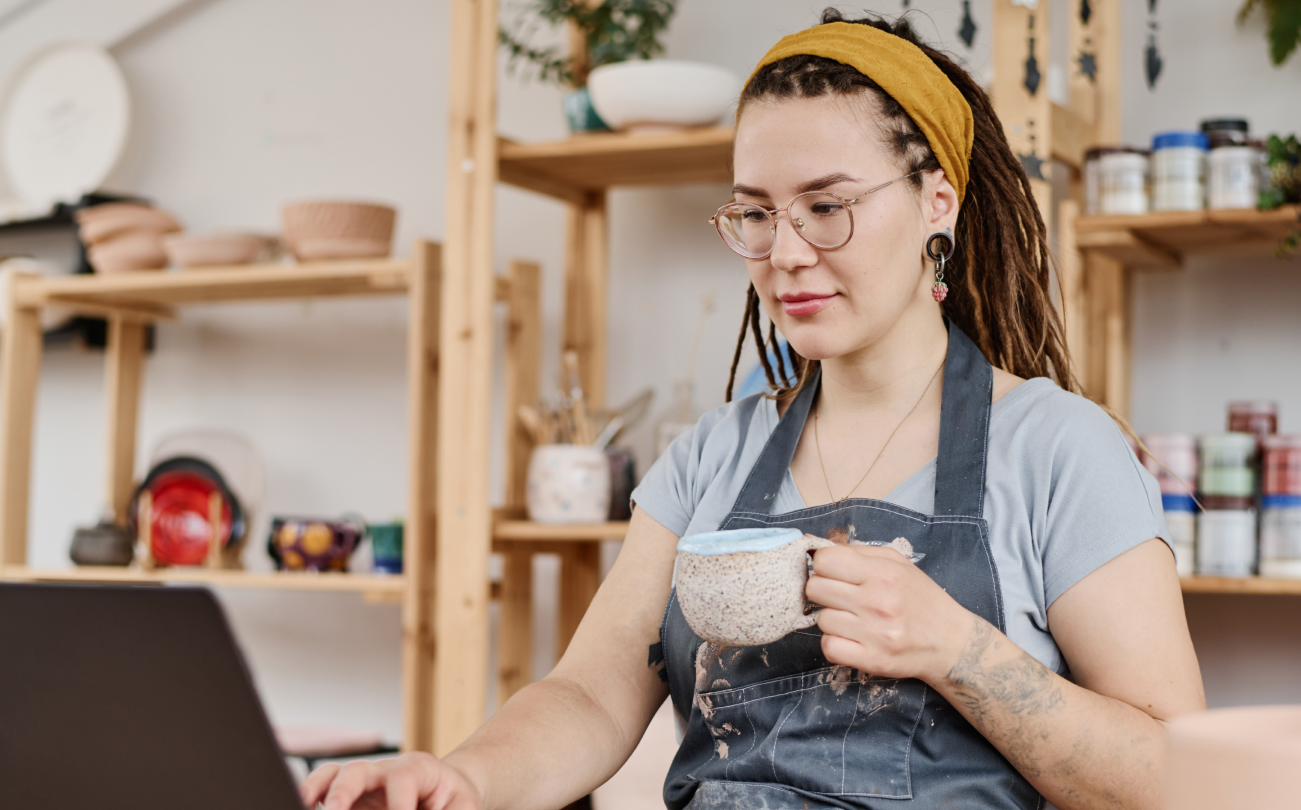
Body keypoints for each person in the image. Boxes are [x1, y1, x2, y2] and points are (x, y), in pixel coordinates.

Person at [302, 12, 1205, 810]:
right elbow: (589, 696)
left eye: (827, 206)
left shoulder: (1058, 449)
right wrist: (464, 780)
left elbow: (1179, 780)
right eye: (756, 214)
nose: (786, 253)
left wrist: (962, 652)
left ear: (938, 200)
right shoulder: (712, 456)